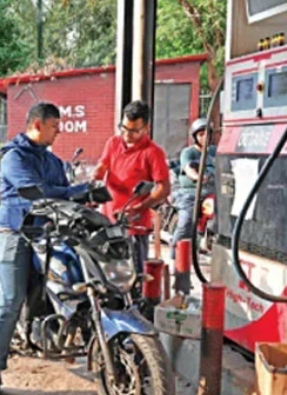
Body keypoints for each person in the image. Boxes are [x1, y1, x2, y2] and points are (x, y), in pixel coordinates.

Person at [0, 102, 89, 395]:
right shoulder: (13, 157)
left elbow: (66, 195)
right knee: (11, 299)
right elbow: (36, 190)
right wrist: (76, 192)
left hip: (46, 233)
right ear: (38, 125)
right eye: (55, 125)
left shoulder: (53, 161)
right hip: (14, 232)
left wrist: (89, 196)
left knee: (73, 282)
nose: (59, 131)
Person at [92, 100, 171, 274]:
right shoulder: (113, 143)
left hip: (133, 227)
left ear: (146, 128)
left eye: (134, 131)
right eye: (124, 128)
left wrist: (140, 207)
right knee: (106, 274)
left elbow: (163, 188)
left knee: (133, 276)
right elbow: (102, 167)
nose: (127, 134)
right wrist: (92, 181)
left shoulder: (153, 152)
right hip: (108, 222)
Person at [172, 118, 216, 258]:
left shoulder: (214, 151)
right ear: (195, 137)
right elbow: (188, 167)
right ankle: (175, 257)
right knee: (186, 224)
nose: (205, 137)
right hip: (192, 194)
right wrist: (197, 177)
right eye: (201, 134)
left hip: (213, 194)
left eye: (207, 134)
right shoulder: (188, 152)